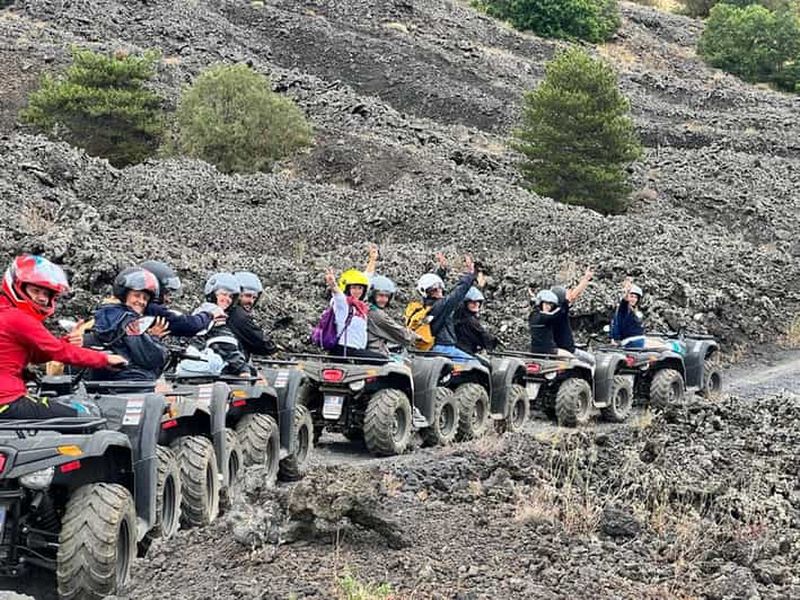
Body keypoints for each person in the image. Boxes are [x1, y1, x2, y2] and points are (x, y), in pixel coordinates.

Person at [0, 255, 128, 419]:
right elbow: (58, 351)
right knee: (81, 416)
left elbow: (35, 355)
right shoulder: (17, 318)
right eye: (36, 291)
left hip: (6, 397)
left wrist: (67, 342)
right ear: (17, 287)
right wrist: (104, 359)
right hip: (7, 400)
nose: (42, 298)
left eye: (46, 293)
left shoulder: (5, 313)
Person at [88, 267, 170, 382]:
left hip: (106, 381)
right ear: (124, 295)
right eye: (137, 295)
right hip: (129, 383)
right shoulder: (129, 321)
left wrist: (148, 337)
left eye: (145, 298)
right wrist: (155, 340)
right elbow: (151, 358)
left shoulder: (104, 313)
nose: (141, 301)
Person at [415, 253, 477, 362]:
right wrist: (470, 275)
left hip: (433, 347)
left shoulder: (428, 305)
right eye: (434, 290)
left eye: (439, 287)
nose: (439, 291)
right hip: (444, 347)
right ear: (427, 293)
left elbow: (433, 283)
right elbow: (457, 293)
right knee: (475, 364)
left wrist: (442, 270)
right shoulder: (441, 306)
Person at [190, 273, 250, 376]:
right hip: (207, 370)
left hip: (195, 365)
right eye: (223, 294)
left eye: (231, 296)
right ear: (213, 294)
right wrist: (244, 369)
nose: (228, 299)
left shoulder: (200, 310)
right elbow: (226, 345)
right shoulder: (216, 313)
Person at [141, 260, 219, 337]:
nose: (168, 300)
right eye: (165, 294)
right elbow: (189, 325)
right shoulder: (151, 309)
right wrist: (210, 315)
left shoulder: (140, 307)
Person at [324, 267, 385, 359]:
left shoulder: (360, 306)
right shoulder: (343, 304)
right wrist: (332, 283)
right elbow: (337, 293)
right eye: (354, 288)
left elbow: (366, 278)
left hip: (356, 350)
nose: (357, 291)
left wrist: (373, 259)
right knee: (382, 359)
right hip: (345, 350)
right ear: (347, 289)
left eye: (360, 288)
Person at [227, 271, 277, 360]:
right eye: (247, 296)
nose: (251, 301)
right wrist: (274, 347)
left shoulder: (224, 311)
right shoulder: (238, 315)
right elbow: (260, 342)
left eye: (254, 297)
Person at [551, 268, 595, 364]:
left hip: (552, 350)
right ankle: (592, 379)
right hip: (568, 350)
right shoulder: (561, 310)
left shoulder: (546, 312)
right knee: (592, 360)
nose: (569, 294)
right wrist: (586, 278)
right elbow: (575, 294)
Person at [454, 286, 498, 356]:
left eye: (478, 301)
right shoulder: (468, 319)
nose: (476, 304)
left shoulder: (460, 317)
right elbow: (481, 335)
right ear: (465, 303)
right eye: (472, 302)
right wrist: (495, 343)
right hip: (464, 352)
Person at [529, 289, 571, 356]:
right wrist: (565, 303)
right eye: (546, 303)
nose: (548, 307)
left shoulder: (533, 315)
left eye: (550, 305)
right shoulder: (542, 317)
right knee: (571, 358)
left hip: (535, 350)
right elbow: (556, 315)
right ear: (540, 303)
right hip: (548, 350)